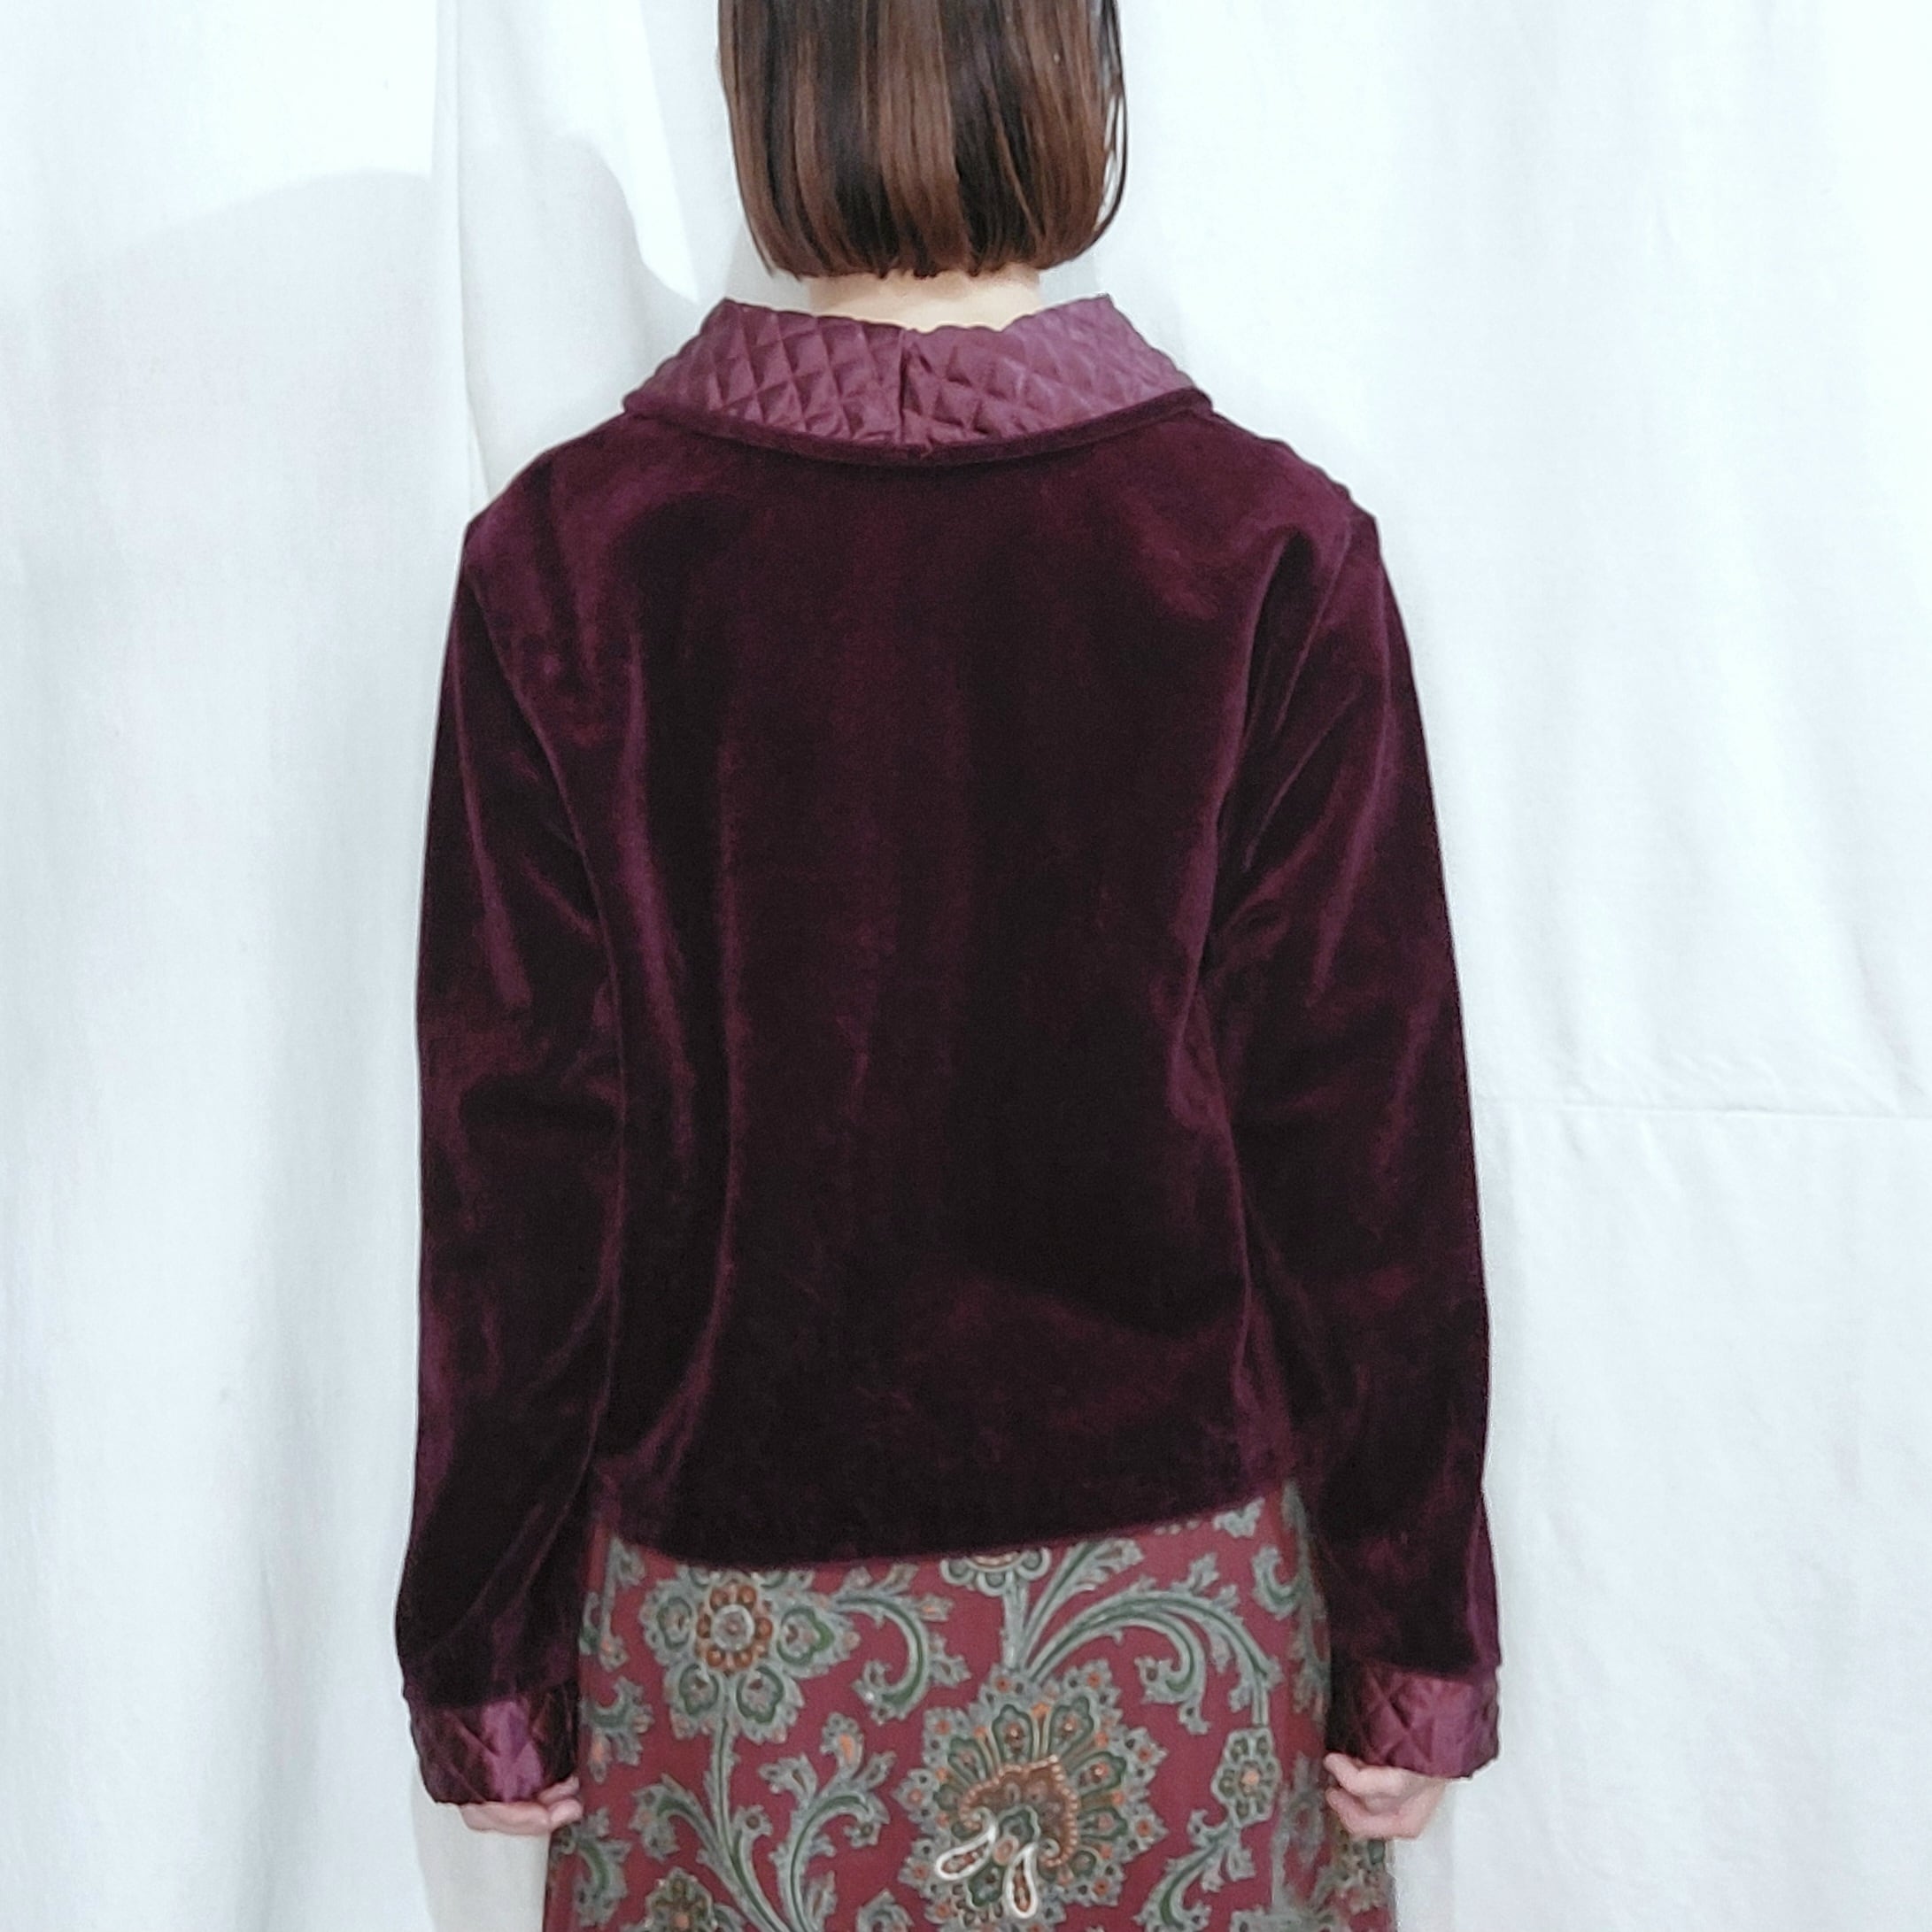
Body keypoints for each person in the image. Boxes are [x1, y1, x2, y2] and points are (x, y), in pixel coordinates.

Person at [393, 2, 1503, 1924]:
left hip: (735, 1674)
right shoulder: (1260, 552)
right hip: (1170, 1645)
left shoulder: (568, 566)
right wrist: (1414, 1633)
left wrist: (484, 1648)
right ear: (1076, 74)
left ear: (760, 85)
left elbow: (523, 1174)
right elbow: (1363, 1155)